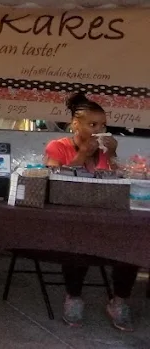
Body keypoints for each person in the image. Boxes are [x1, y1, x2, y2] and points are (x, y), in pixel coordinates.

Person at [44, 93, 136, 330]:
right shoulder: (58, 146)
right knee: (78, 239)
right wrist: (83, 153)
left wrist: (114, 156)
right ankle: (73, 297)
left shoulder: (104, 150)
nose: (98, 129)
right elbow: (53, 178)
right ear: (75, 124)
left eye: (102, 125)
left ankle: (119, 300)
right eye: (92, 124)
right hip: (71, 216)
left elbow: (117, 178)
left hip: (107, 216)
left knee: (132, 242)